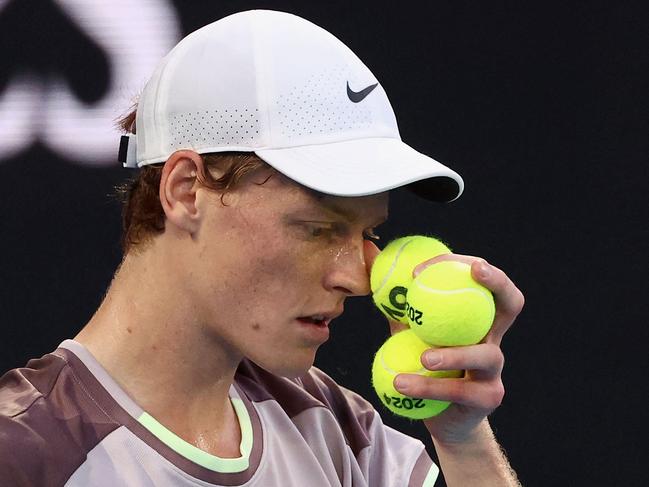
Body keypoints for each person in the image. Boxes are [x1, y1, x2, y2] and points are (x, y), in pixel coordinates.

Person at [0, 9, 524, 486]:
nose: (359, 278)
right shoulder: (20, 455)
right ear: (186, 191)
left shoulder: (337, 428)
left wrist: (461, 438)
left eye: (369, 235)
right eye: (318, 228)